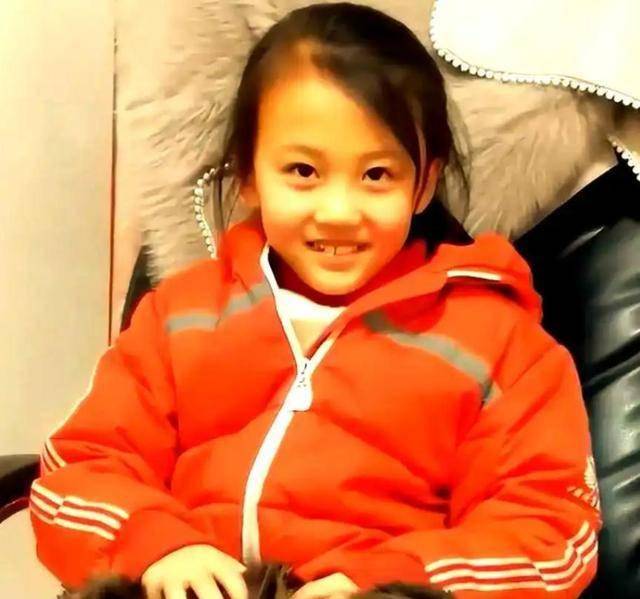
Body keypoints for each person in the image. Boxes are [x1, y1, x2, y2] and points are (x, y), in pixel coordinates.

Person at [30, 3, 601, 599]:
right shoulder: (182, 315)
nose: (338, 212)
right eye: (303, 171)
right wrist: (158, 545)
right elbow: (80, 468)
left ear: (423, 184)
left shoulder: (500, 345)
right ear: (248, 175)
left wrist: (391, 578)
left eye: (376, 175)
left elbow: (550, 535)